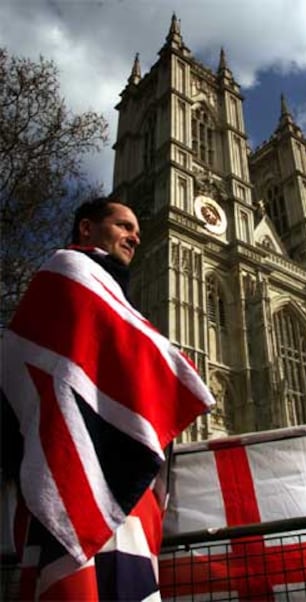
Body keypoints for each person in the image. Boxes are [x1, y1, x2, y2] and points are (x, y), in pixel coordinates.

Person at [2, 196, 215, 601]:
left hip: (122, 487)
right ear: (87, 229)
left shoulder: (114, 290)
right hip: (71, 471)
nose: (135, 237)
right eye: (123, 226)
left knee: (128, 582)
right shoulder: (69, 269)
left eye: (137, 229)